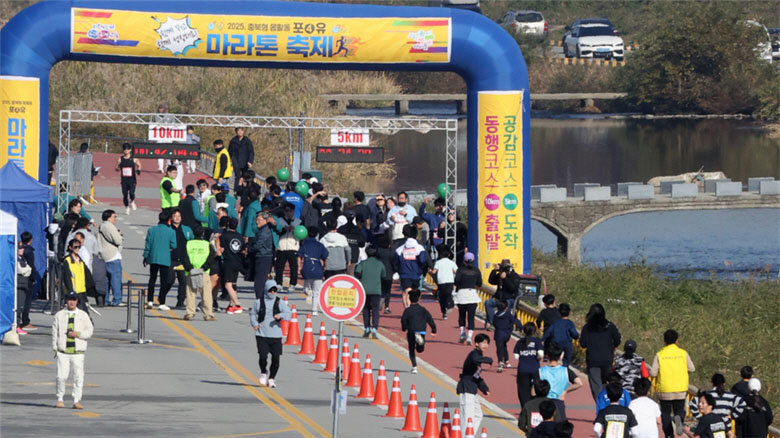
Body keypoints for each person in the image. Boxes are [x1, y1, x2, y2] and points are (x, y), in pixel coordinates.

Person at [649, 329, 696, 438]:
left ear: (664, 341)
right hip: (680, 388)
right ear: (676, 340)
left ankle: (669, 434)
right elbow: (692, 368)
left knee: (665, 413)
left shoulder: (660, 354)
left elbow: (653, 372)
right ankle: (678, 417)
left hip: (665, 388)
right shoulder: (683, 353)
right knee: (679, 409)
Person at [52, 291, 94, 409]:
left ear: (77, 301)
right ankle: (60, 398)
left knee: (78, 376)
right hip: (63, 351)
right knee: (61, 376)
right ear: (66, 301)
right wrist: (55, 348)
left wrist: (78, 334)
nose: (71, 302)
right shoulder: (59, 315)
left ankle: (76, 400)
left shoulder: (83, 315)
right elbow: (55, 332)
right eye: (69, 299)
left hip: (78, 351)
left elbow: (89, 331)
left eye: (74, 299)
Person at [250, 280, 291, 389]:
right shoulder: (259, 302)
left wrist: (280, 315)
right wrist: (254, 323)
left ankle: (272, 378)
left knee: (276, 359)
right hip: (262, 334)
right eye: (270, 290)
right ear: (266, 290)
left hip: (276, 335)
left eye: (274, 290)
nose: (272, 292)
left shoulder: (279, 302)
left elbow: (289, 314)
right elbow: (252, 313)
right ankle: (263, 372)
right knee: (263, 356)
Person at [579, 303, 622, 401]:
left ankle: (600, 404)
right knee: (606, 383)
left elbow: (582, 343)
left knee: (596, 385)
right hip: (607, 359)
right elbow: (618, 339)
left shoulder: (587, 328)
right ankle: (608, 402)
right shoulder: (609, 326)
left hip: (593, 360)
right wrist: (613, 346)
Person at [456, 333, 493, 433]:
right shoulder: (474, 354)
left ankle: (469, 435)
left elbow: (476, 376)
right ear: (476, 343)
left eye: (487, 343)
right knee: (467, 417)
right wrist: (488, 360)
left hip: (472, 390)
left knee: (478, 414)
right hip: (466, 388)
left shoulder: (479, 356)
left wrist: (484, 389)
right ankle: (465, 435)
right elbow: (475, 359)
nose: (485, 345)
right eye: (483, 343)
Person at [143, 211, 177, 309]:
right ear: (168, 220)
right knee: (163, 280)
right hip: (165, 258)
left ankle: (150, 300)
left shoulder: (151, 230)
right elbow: (174, 245)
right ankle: (161, 302)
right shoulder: (171, 231)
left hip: (153, 257)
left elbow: (148, 245)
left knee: (152, 279)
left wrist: (146, 256)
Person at [538, 344, 583, 419]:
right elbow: (579, 383)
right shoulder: (565, 370)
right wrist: (565, 391)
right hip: (559, 401)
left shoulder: (541, 371)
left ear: (547, 356)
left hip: (544, 402)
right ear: (560, 356)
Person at [183, 227, 216, 321]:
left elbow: (184, 256)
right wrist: (205, 266)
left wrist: (189, 267)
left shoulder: (188, 244)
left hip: (191, 271)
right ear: (202, 234)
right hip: (204, 271)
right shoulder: (206, 244)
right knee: (206, 293)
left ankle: (190, 313)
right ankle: (208, 314)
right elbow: (211, 256)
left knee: (191, 293)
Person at [400, 289, 436, 374]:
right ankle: (420, 343)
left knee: (411, 348)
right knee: (420, 350)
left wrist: (404, 328)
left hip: (411, 331)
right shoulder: (423, 310)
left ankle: (414, 366)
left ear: (409, 298)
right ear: (419, 298)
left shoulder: (408, 310)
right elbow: (430, 319)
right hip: (422, 330)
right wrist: (433, 329)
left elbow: (403, 320)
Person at [164, 209, 194, 310]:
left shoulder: (187, 229)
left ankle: (180, 301)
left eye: (179, 216)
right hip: (171, 260)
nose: (177, 218)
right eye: (175, 216)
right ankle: (162, 297)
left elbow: (192, 242)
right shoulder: (168, 229)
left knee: (183, 281)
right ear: (171, 218)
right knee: (169, 280)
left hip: (183, 260)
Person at [394, 224, 429, 308]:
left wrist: (399, 270)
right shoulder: (420, 248)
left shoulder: (400, 248)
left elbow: (395, 261)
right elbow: (423, 260)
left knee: (405, 291)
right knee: (414, 291)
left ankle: (407, 308)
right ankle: (412, 307)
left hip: (404, 274)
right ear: (416, 235)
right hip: (416, 274)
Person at [356, 245, 386, 338]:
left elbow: (357, 273)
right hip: (376, 290)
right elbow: (384, 276)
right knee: (375, 310)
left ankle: (367, 328)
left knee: (366, 310)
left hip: (364, 290)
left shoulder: (363, 263)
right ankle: (375, 329)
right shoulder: (380, 264)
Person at [216, 217, 245, 314]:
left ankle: (237, 304)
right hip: (238, 261)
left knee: (227, 284)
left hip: (228, 261)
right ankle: (231, 305)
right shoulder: (240, 237)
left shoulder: (225, 235)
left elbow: (222, 249)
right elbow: (242, 250)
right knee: (233, 284)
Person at [298, 226, 328, 316]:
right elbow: (325, 257)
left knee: (306, 287)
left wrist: (299, 267)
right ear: (317, 234)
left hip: (307, 268)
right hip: (318, 268)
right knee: (317, 291)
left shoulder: (304, 244)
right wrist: (325, 266)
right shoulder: (320, 245)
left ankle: (308, 291)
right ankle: (314, 310)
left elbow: (299, 256)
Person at [97, 210, 125, 307]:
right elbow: (117, 240)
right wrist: (120, 236)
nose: (115, 219)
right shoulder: (109, 226)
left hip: (104, 255)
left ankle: (105, 299)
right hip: (112, 255)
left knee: (106, 280)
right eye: (114, 216)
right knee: (116, 279)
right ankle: (117, 299)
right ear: (109, 217)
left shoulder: (102, 226)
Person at [453, 252, 482, 345]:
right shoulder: (476, 270)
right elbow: (479, 283)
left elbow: (456, 281)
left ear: (464, 260)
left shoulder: (460, 270)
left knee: (461, 315)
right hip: (472, 294)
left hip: (461, 294)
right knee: (471, 317)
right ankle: (470, 336)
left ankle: (462, 334)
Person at [485, 259, 521, 329]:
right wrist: (494, 271)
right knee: (488, 303)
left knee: (506, 305)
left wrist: (505, 279)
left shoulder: (515, 276)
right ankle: (493, 323)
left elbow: (513, 288)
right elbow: (491, 281)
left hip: (510, 299)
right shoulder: (500, 275)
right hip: (499, 299)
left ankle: (505, 324)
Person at [514, 322, 544, 406]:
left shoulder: (520, 342)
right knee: (536, 390)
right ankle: (534, 407)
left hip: (522, 369)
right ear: (534, 331)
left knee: (523, 392)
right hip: (534, 369)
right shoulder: (537, 342)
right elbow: (541, 354)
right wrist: (537, 358)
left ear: (523, 331)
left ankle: (525, 408)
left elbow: (516, 356)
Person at [62, 239, 96, 312]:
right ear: (70, 248)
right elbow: (67, 277)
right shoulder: (67, 260)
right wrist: (70, 291)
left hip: (82, 291)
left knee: (84, 314)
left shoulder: (80, 260)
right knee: (73, 314)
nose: (77, 249)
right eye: (75, 247)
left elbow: (86, 274)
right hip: (73, 292)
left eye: (79, 247)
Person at [274, 203, 301, 291]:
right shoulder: (279, 221)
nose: (288, 213)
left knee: (293, 267)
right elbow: (277, 233)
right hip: (281, 246)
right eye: (287, 211)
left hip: (293, 247)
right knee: (279, 267)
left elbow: (301, 235)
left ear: (293, 211)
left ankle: (292, 284)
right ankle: (278, 283)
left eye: (290, 211)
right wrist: (284, 230)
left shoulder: (298, 221)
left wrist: (294, 231)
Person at [251, 211, 276, 299]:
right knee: (260, 280)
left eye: (259, 220)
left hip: (263, 257)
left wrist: (250, 249)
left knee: (259, 281)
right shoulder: (262, 230)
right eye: (256, 220)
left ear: (265, 220)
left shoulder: (265, 231)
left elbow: (259, 245)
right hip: (263, 256)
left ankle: (260, 300)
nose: (257, 222)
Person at [492, 300, 521, 373]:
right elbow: (515, 321)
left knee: (499, 348)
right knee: (504, 346)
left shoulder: (495, 316)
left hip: (498, 334)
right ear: (506, 308)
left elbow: (494, 323)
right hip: (507, 334)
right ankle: (506, 360)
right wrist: (520, 327)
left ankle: (500, 361)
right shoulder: (508, 315)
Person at [431, 245, 457, 319]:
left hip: (441, 281)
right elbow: (456, 272)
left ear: (441, 254)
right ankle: (449, 306)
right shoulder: (452, 263)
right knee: (448, 295)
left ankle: (444, 312)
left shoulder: (438, 262)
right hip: (450, 281)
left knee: (442, 297)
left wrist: (430, 271)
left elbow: (434, 271)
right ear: (449, 254)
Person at [17, 231, 36, 331]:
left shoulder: (19, 250)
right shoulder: (29, 251)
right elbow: (31, 266)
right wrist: (33, 278)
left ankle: (21, 321)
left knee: (20, 301)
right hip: (27, 279)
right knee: (26, 302)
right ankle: (25, 321)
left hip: (20, 278)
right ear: (30, 240)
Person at [115, 142, 141, 215]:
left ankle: (132, 201)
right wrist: (117, 168)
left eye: (127, 149)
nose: (125, 151)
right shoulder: (120, 159)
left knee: (132, 193)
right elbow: (116, 167)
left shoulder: (134, 159)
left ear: (130, 150)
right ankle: (127, 207)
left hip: (132, 179)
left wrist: (138, 170)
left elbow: (139, 165)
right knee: (125, 194)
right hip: (124, 180)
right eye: (124, 149)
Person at [338, 209, 365, 275]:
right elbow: (362, 243)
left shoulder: (341, 229)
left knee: (342, 274)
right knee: (351, 274)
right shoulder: (357, 230)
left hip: (343, 254)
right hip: (353, 254)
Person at [228, 127, 254, 191]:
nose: (240, 132)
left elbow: (251, 152)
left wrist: (250, 161)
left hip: (245, 161)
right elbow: (230, 151)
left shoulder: (247, 141)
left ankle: (244, 190)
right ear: (236, 132)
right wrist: (228, 160)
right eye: (238, 131)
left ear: (243, 132)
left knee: (244, 176)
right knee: (237, 176)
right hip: (236, 160)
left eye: (241, 131)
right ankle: (236, 190)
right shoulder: (233, 141)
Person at [374, 234, 395, 314]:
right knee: (388, 291)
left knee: (379, 289)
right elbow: (394, 262)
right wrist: (395, 270)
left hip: (379, 273)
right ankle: (386, 307)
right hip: (389, 273)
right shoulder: (391, 252)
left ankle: (378, 303)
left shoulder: (378, 251)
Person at [16, 244, 33, 335]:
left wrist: (26, 270)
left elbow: (29, 269)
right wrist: (26, 270)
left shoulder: (23, 259)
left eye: (22, 248)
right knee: (17, 306)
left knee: (21, 305)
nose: (21, 250)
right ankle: (16, 325)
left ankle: (18, 325)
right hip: (18, 285)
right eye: (19, 248)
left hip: (23, 284)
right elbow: (21, 270)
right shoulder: (16, 259)